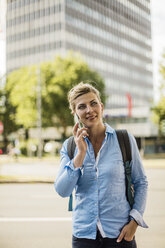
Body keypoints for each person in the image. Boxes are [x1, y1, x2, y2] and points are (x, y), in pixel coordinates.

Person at [54, 82, 148, 248]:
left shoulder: (124, 139)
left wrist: (134, 222)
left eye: (93, 103)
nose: (89, 110)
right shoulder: (70, 146)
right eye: (82, 107)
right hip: (84, 236)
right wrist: (80, 155)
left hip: (120, 234)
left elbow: (140, 182)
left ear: (101, 106)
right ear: (75, 113)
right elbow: (62, 190)